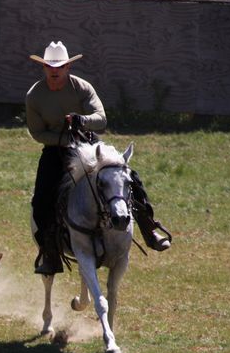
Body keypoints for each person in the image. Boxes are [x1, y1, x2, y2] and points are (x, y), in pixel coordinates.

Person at [26, 41, 171, 275]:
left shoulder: (82, 88)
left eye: (60, 66)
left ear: (67, 67)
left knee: (129, 178)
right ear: (43, 68)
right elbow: (37, 132)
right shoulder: (35, 95)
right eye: (50, 66)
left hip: (90, 146)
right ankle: (50, 253)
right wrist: (64, 140)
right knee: (42, 199)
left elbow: (101, 118)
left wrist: (82, 121)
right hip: (55, 152)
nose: (55, 70)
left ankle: (149, 229)